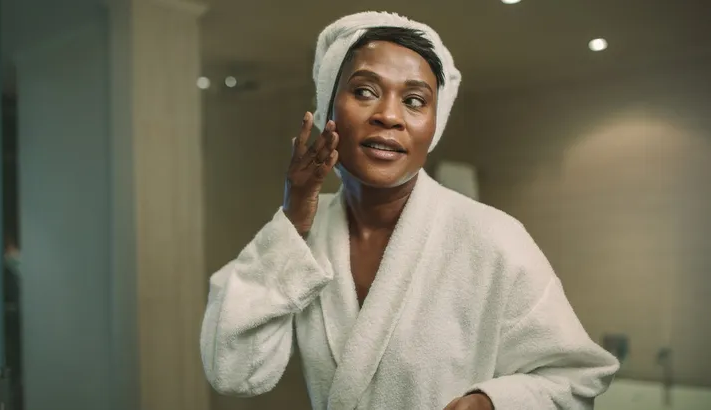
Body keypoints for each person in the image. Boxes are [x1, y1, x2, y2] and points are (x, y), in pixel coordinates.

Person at [200, 11, 619, 410]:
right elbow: (234, 371)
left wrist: (493, 402)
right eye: (365, 92)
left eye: (415, 100)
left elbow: (576, 377)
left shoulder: (493, 238)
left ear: (434, 124)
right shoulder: (300, 238)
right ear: (329, 108)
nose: (388, 116)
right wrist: (293, 220)